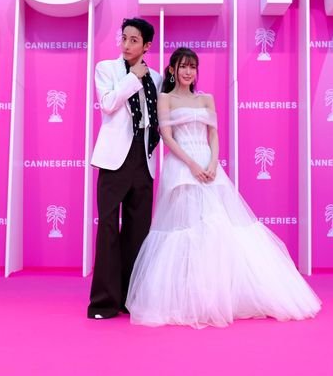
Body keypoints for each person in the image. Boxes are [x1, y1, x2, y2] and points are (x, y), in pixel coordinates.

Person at [126, 47, 321, 328]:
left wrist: (213, 163)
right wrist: (192, 165)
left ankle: (220, 294)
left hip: (210, 167)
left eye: (193, 67)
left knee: (217, 226)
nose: (188, 72)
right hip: (181, 166)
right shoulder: (165, 98)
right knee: (185, 228)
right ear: (172, 70)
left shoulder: (206, 99)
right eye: (183, 66)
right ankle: (188, 297)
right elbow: (167, 137)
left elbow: (214, 135)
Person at [87, 18, 162, 319]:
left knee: (137, 231)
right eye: (124, 38)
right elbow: (108, 104)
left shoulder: (156, 78)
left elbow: (158, 115)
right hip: (114, 158)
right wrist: (132, 77)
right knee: (108, 228)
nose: (126, 45)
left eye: (134, 40)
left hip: (144, 157)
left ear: (146, 46)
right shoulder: (107, 69)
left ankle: (129, 299)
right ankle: (103, 302)